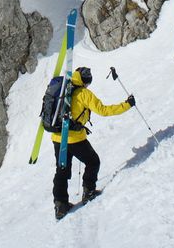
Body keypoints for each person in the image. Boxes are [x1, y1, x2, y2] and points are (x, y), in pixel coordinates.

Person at [51, 66, 133, 220]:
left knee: (61, 170)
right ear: (85, 81)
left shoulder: (63, 88)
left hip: (58, 137)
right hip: (75, 138)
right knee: (93, 162)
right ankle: (88, 192)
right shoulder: (83, 93)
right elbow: (103, 110)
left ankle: (60, 205)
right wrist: (127, 105)